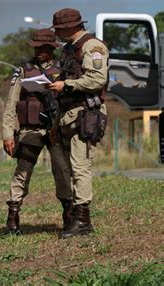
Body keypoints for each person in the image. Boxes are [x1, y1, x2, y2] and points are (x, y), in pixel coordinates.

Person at [2, 29, 73, 235]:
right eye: (36, 48)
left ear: (52, 48)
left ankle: (68, 213)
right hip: (29, 130)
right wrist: (8, 134)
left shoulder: (64, 69)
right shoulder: (24, 70)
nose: (39, 51)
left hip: (56, 130)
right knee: (22, 171)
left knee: (62, 170)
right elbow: (11, 103)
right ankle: (13, 215)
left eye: (44, 48)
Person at [46, 8, 108, 239]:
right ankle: (74, 216)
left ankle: (83, 221)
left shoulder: (93, 47)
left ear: (72, 26)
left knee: (80, 166)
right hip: (66, 115)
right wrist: (55, 122)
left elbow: (97, 78)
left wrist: (67, 85)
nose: (58, 34)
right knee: (70, 168)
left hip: (86, 114)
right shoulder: (67, 50)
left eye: (60, 29)